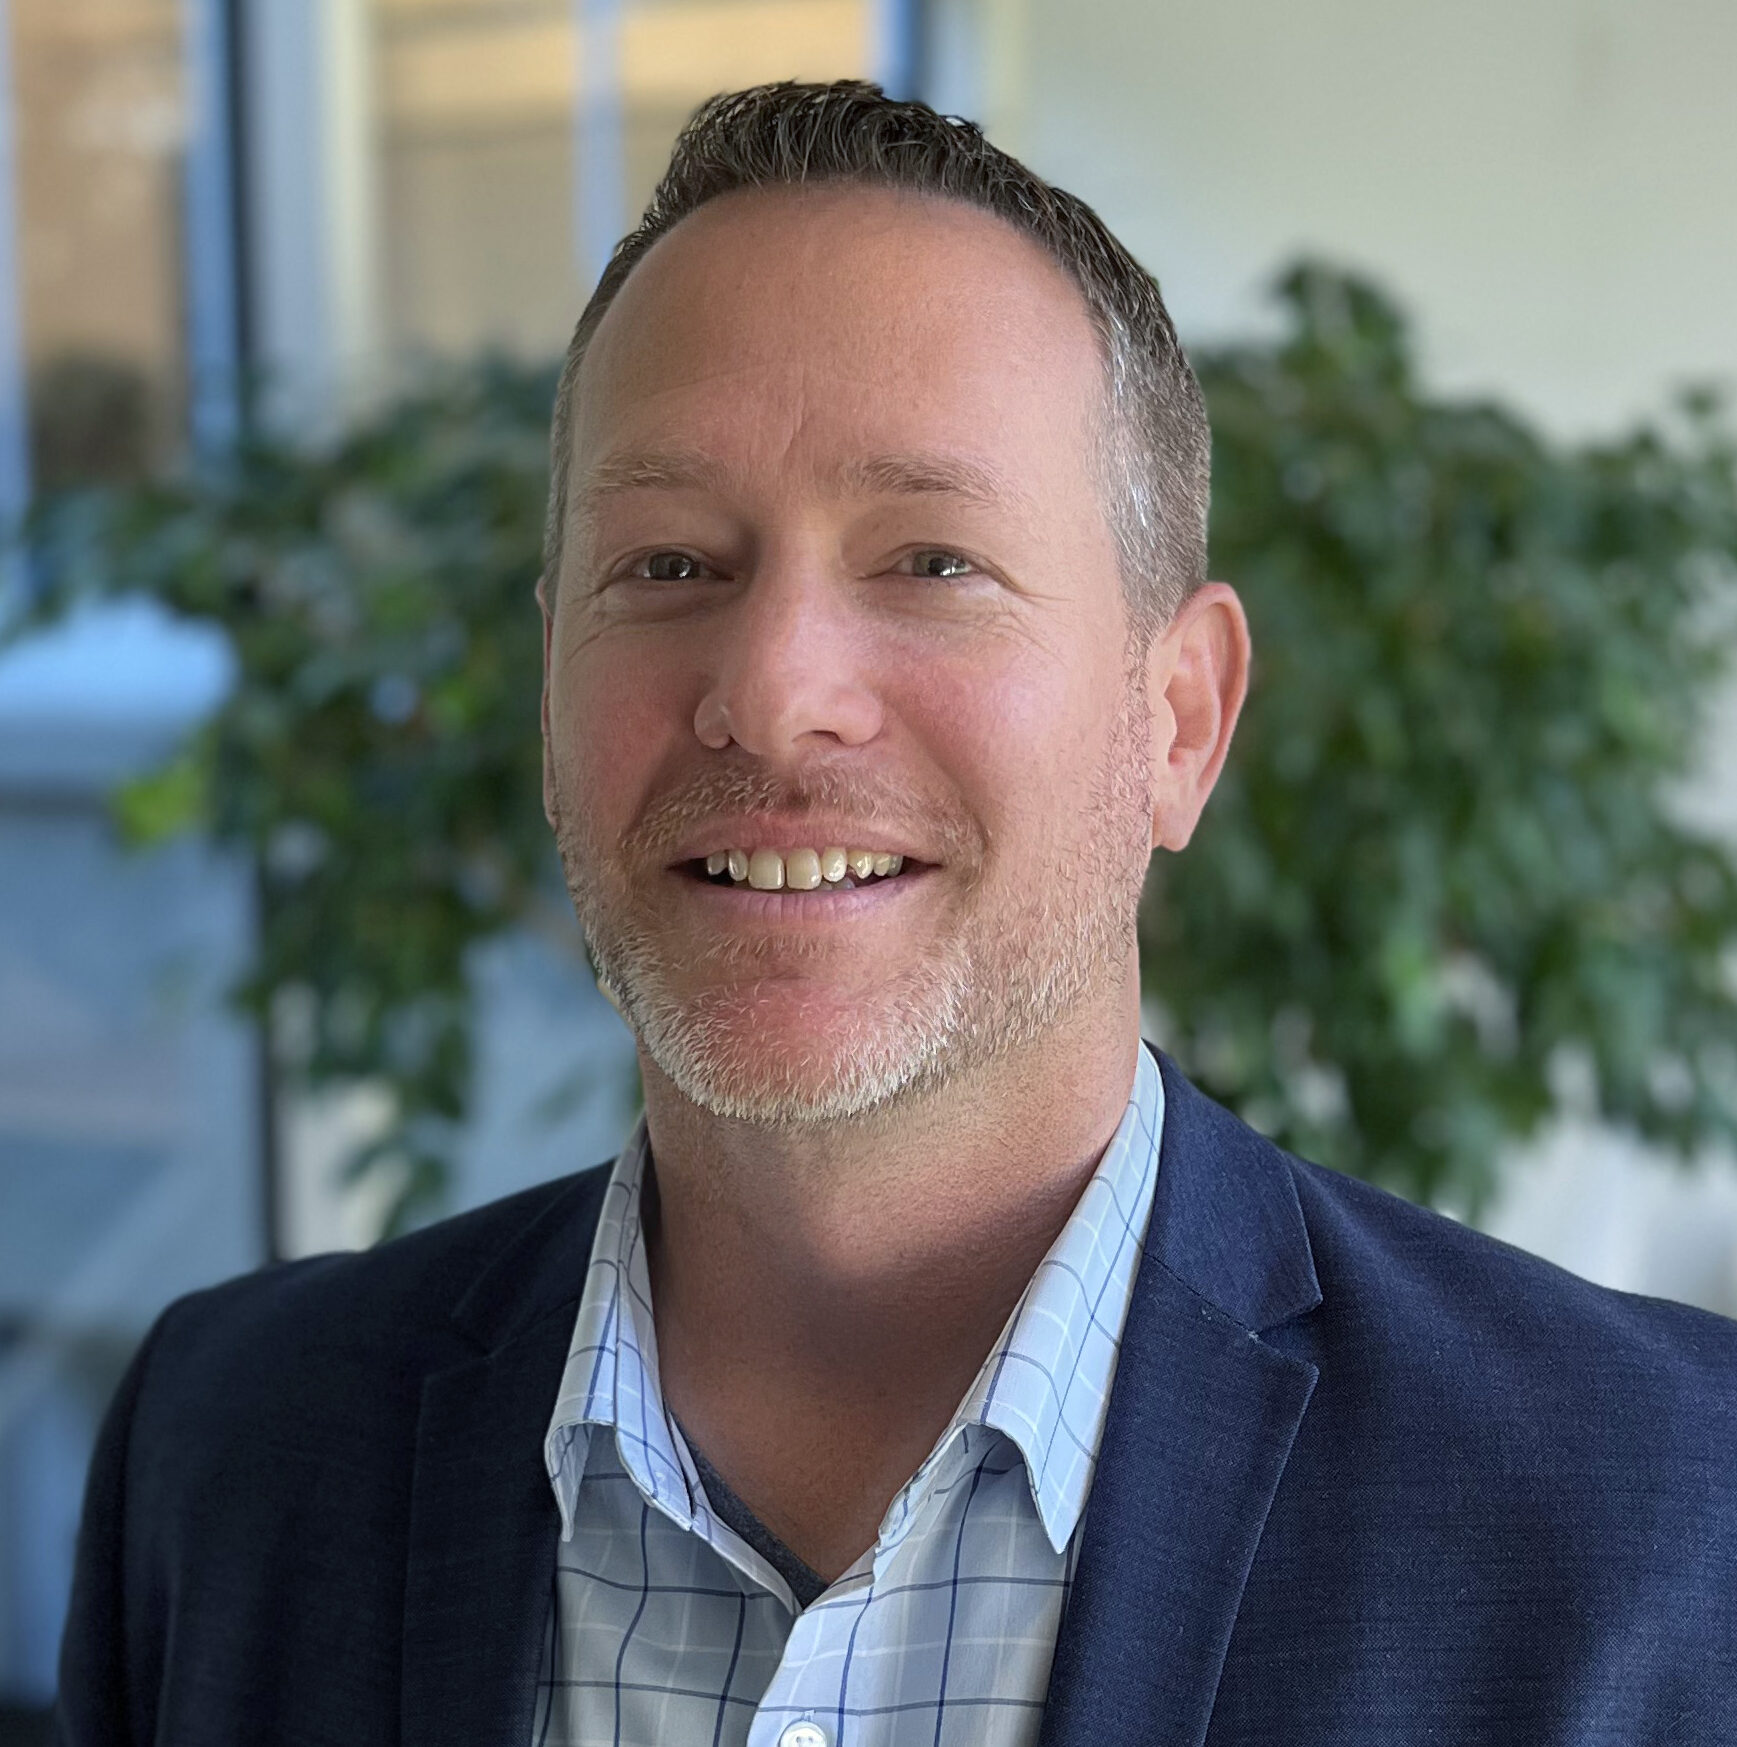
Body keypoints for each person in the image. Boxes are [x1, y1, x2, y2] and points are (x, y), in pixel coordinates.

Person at [56, 81, 1736, 1747]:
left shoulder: (1661, 1524)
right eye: (665, 566)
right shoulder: (231, 1458)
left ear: (1178, 722)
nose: (774, 693)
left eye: (930, 560)